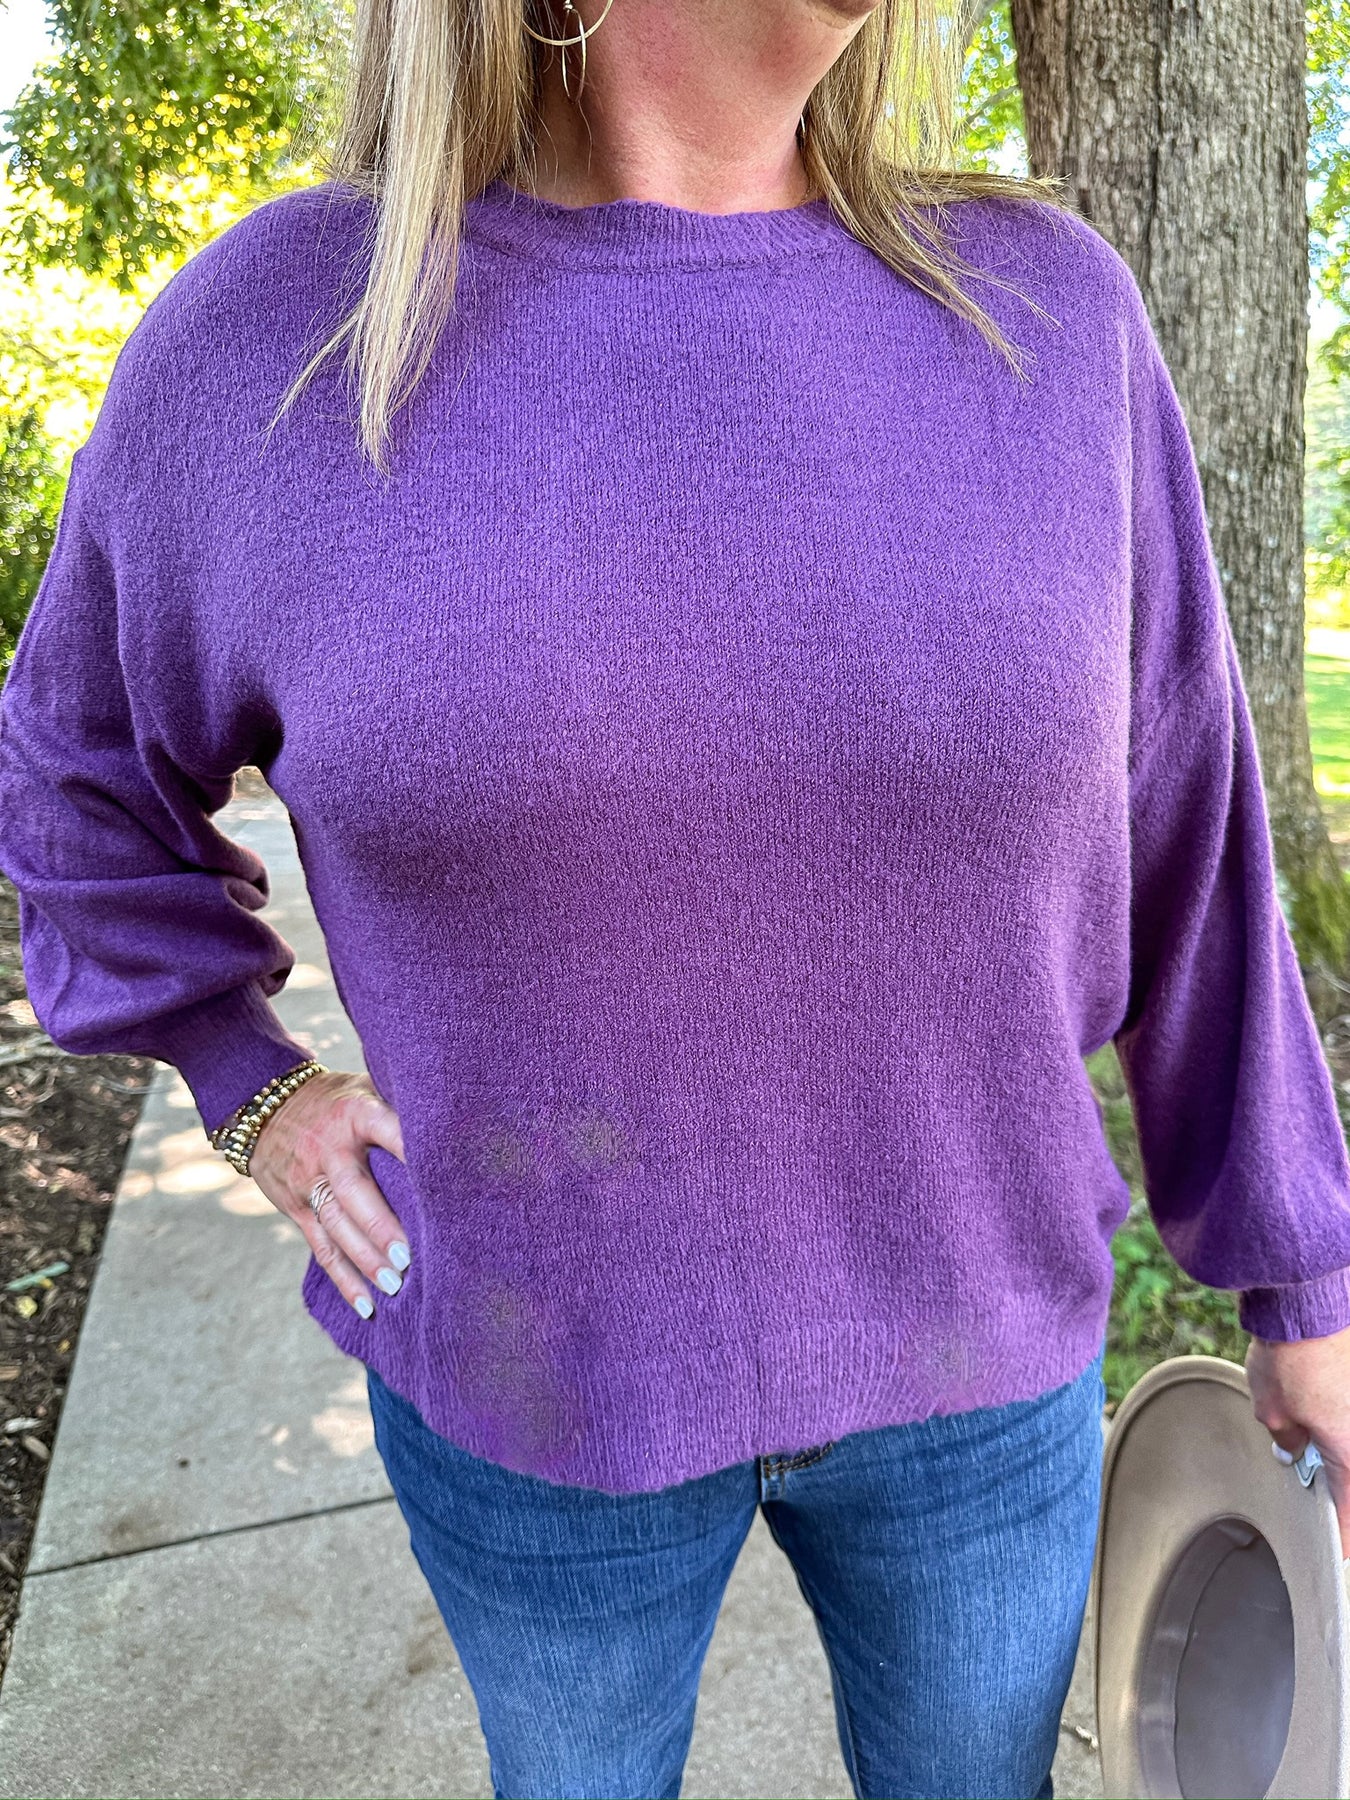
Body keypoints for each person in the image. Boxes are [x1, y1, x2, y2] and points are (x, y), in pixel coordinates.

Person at [2, 1, 1349, 1795]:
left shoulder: (1047, 316)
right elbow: (70, 776)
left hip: (978, 1371)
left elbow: (1189, 821)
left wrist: (1303, 1277)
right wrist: (249, 1085)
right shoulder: (277, 339)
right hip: (531, 1391)